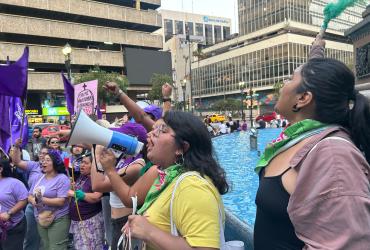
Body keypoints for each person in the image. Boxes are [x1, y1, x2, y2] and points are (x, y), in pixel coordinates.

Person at [253, 55, 370, 248]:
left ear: (303, 98)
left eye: (290, 78)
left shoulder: (334, 154)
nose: (283, 84)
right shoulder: (296, 139)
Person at [100, 111, 229, 250]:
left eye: (161, 130)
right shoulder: (168, 176)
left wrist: (149, 231)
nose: (150, 134)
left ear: (181, 147)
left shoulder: (192, 186)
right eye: (153, 129)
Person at [91, 122, 148, 250]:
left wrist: (96, 153)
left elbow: (97, 185)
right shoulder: (121, 159)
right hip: (115, 221)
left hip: (126, 222)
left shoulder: (136, 167)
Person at [28, 149, 71, 250]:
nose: (44, 162)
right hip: (41, 218)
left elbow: (61, 201)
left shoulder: (62, 179)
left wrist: (41, 199)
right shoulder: (39, 177)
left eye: (48, 160)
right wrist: (33, 200)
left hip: (58, 218)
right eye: (43, 160)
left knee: (56, 247)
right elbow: (29, 195)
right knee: (46, 246)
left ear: (55, 163)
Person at [11, 144, 48, 250]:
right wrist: (17, 147)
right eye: (41, 153)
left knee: (47, 238)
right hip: (32, 206)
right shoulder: (34, 165)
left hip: (50, 208)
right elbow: (17, 162)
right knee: (30, 237)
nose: (42, 156)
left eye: (46, 154)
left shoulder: (57, 169)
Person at [68, 152, 104, 250]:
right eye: (81, 163)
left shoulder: (97, 178)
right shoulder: (82, 176)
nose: (82, 165)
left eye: (85, 163)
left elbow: (97, 196)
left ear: (94, 166)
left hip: (89, 222)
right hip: (77, 222)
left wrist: (78, 194)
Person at [0, 159, 28, 250]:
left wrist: (9, 213)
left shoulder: (14, 183)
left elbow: (24, 200)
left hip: (13, 227)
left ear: (1, 169)